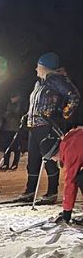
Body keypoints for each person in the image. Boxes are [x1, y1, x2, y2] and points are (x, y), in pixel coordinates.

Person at [18, 52, 80, 204]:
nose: (36, 69)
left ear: (45, 67)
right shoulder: (39, 83)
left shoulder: (57, 79)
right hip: (34, 125)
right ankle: (30, 190)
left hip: (48, 125)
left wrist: (62, 115)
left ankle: (52, 192)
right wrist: (28, 115)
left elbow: (74, 97)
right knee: (32, 159)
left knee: (49, 158)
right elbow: (35, 103)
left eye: (38, 66)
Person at [0, 94, 24, 170]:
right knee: (6, 147)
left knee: (16, 147)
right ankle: (5, 163)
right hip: (7, 128)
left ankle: (15, 164)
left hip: (16, 128)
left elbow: (18, 114)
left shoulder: (21, 104)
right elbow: (4, 114)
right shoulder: (8, 104)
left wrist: (9, 113)